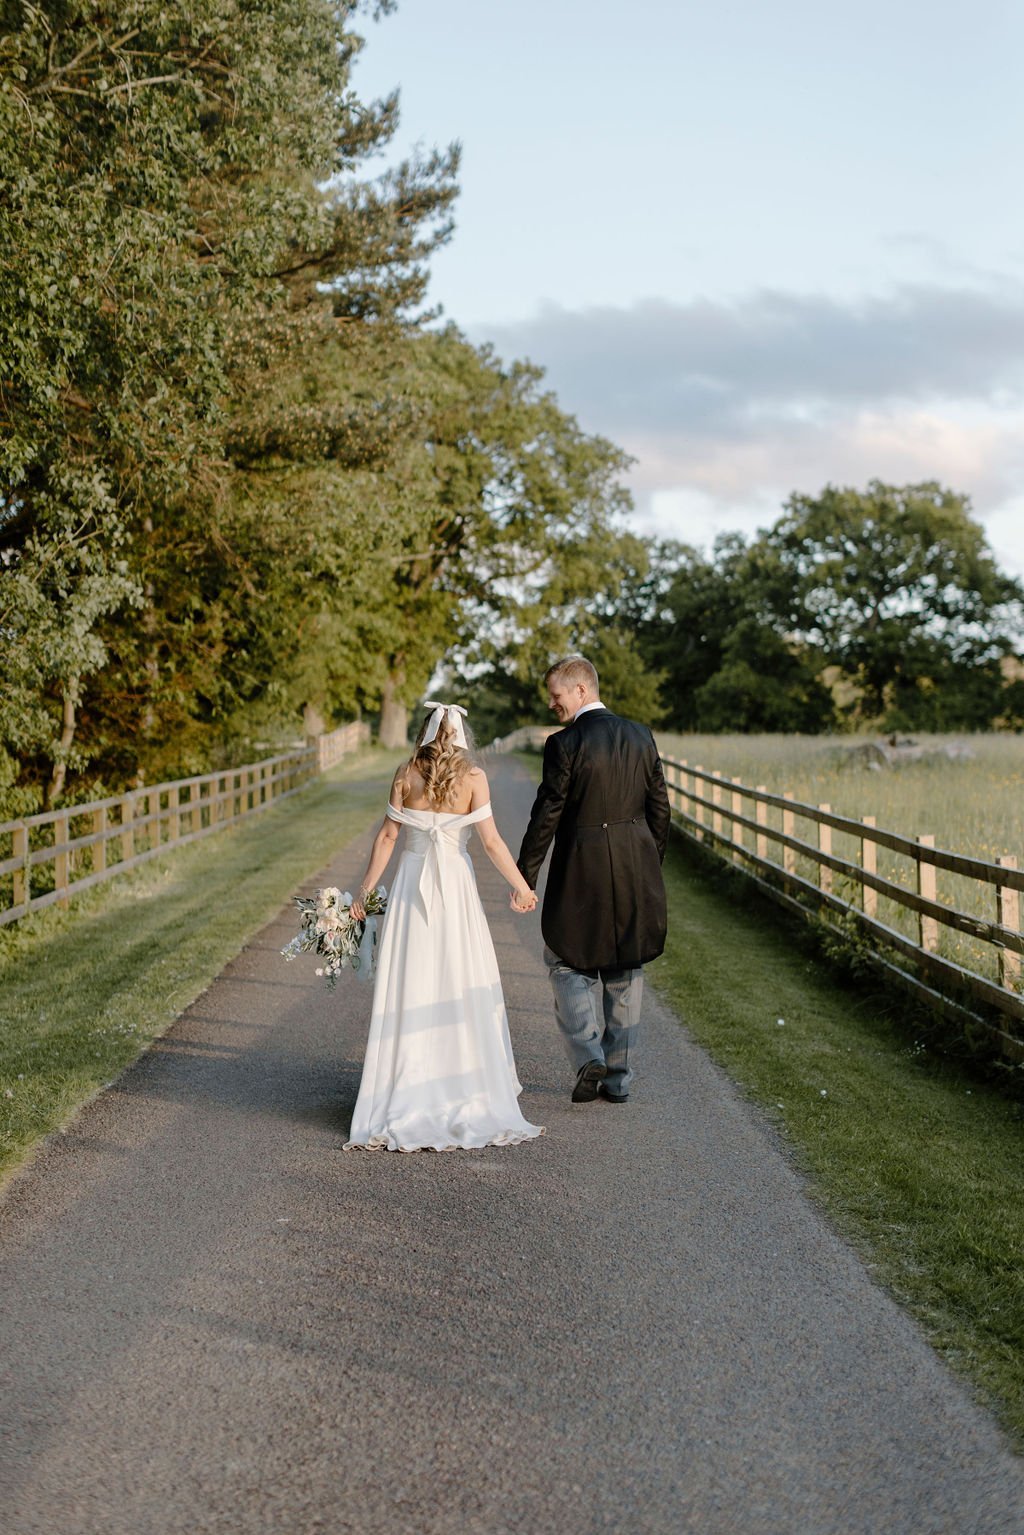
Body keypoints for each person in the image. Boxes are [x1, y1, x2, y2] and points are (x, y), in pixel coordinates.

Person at [343, 701, 544, 1153]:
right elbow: (491, 842)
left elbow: (389, 837)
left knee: (411, 978)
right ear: (459, 735)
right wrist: (523, 887)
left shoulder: (404, 773)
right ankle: (463, 1087)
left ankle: (402, 1089)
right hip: (453, 886)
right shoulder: (473, 777)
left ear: (426, 733)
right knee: (458, 975)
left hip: (413, 885)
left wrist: (364, 891)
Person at [516, 656, 670, 1104]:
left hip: (581, 872)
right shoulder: (641, 736)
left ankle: (588, 1055)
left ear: (581, 690)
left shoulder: (565, 743)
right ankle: (618, 1081)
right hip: (634, 869)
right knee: (624, 970)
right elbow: (659, 809)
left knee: (566, 961)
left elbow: (547, 815)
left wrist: (527, 877)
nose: (551, 703)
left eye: (556, 694)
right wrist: (649, 861)